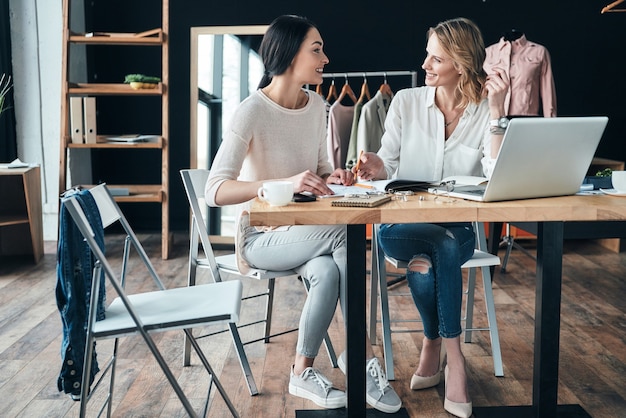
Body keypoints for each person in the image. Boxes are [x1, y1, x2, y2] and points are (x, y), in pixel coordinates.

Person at [204, 15, 401, 413]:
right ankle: (360, 357)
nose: (325, 58)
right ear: (289, 55)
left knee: (328, 271)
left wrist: (338, 176)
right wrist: (276, 185)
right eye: (317, 50)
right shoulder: (251, 111)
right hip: (260, 237)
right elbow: (215, 191)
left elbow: (321, 171)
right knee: (347, 233)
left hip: (309, 233)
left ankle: (302, 371)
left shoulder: (317, 107)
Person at [354, 17, 509, 418]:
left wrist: (497, 111)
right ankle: (455, 361)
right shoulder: (405, 102)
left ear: (461, 63)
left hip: (457, 228)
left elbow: (494, 174)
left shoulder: (480, 111)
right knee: (433, 247)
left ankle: (432, 343)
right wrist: (374, 165)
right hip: (398, 227)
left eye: (436, 59)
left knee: (427, 263)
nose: (424, 65)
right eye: (427, 55)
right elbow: (387, 164)